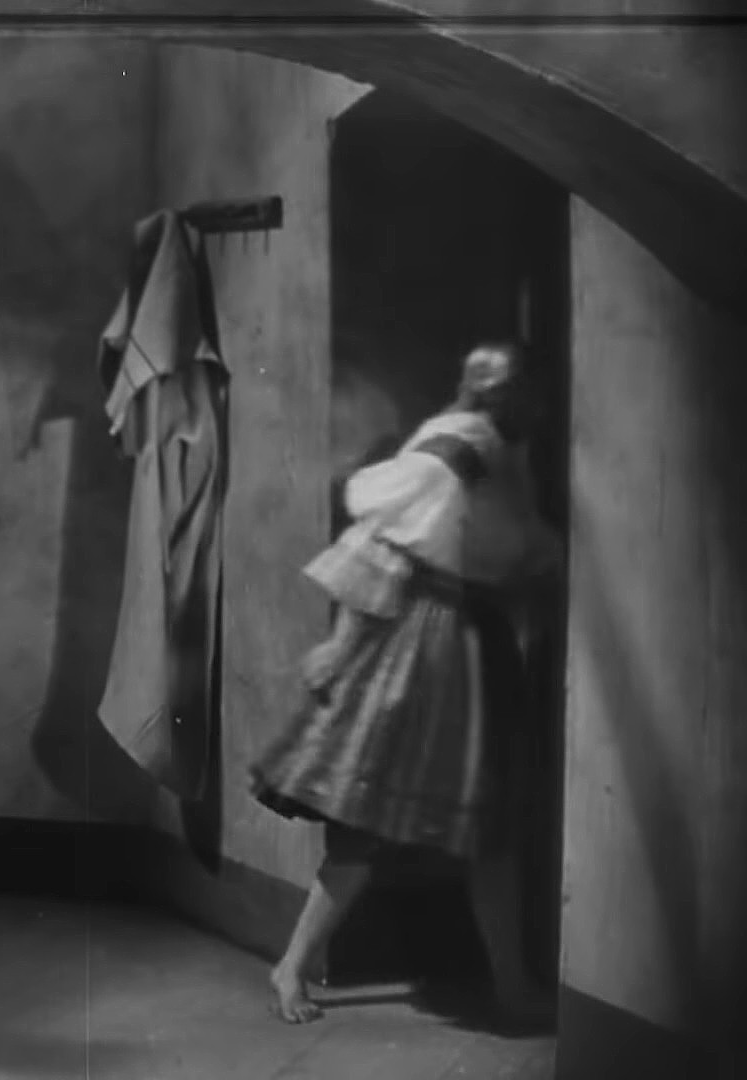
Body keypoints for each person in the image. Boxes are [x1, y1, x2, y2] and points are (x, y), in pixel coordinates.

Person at [250, 342, 562, 1027]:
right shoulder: (458, 448)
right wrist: (342, 645)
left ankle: (512, 984)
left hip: (478, 645)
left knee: (491, 830)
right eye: (514, 389)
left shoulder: (508, 451)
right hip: (420, 643)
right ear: (488, 391)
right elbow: (387, 542)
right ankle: (292, 965)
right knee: (363, 821)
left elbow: (513, 548)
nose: (529, 403)